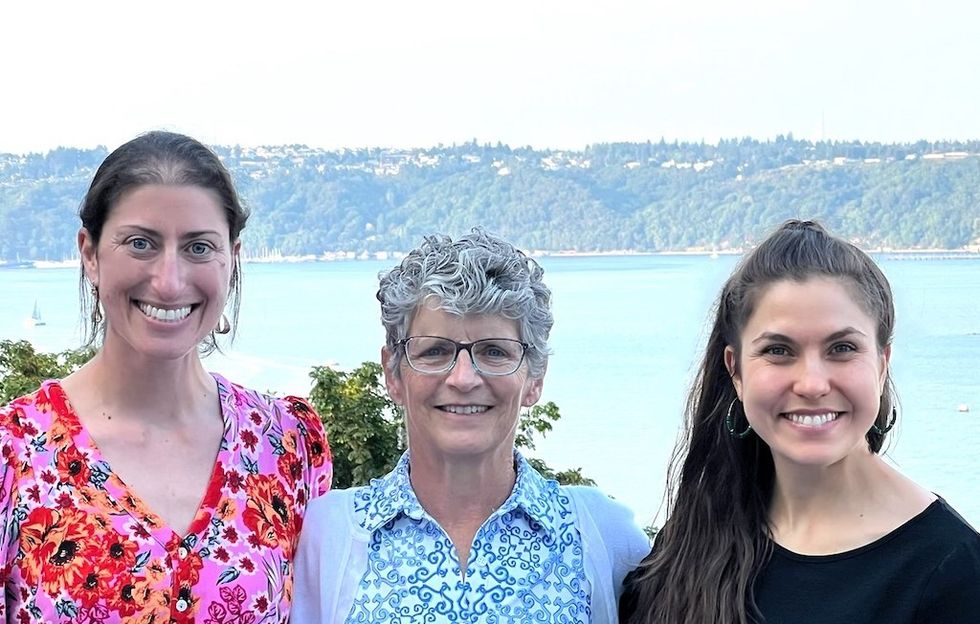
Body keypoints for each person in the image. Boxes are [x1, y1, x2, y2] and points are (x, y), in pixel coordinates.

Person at [0, 131, 332, 623]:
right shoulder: (15, 454)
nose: (170, 281)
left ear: (232, 258)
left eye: (199, 247)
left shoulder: (286, 445)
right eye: (140, 244)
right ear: (90, 253)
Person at [619, 220, 980, 624]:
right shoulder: (693, 538)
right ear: (735, 372)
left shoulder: (954, 573)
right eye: (778, 350)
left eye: (842, 348)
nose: (812, 384)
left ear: (881, 366)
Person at [293, 229, 649, 623]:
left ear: (535, 377)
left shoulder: (603, 536)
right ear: (393, 373)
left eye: (494, 352)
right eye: (435, 351)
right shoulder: (330, 534)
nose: (463, 378)